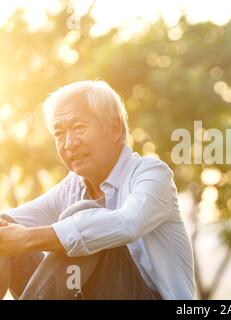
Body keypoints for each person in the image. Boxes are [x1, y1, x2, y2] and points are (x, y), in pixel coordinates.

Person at [0, 80, 195, 300]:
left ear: (114, 128)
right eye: (59, 134)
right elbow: (13, 221)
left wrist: (26, 238)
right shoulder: (72, 185)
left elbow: (127, 224)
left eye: (79, 128)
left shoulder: (151, 174)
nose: (69, 143)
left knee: (86, 218)